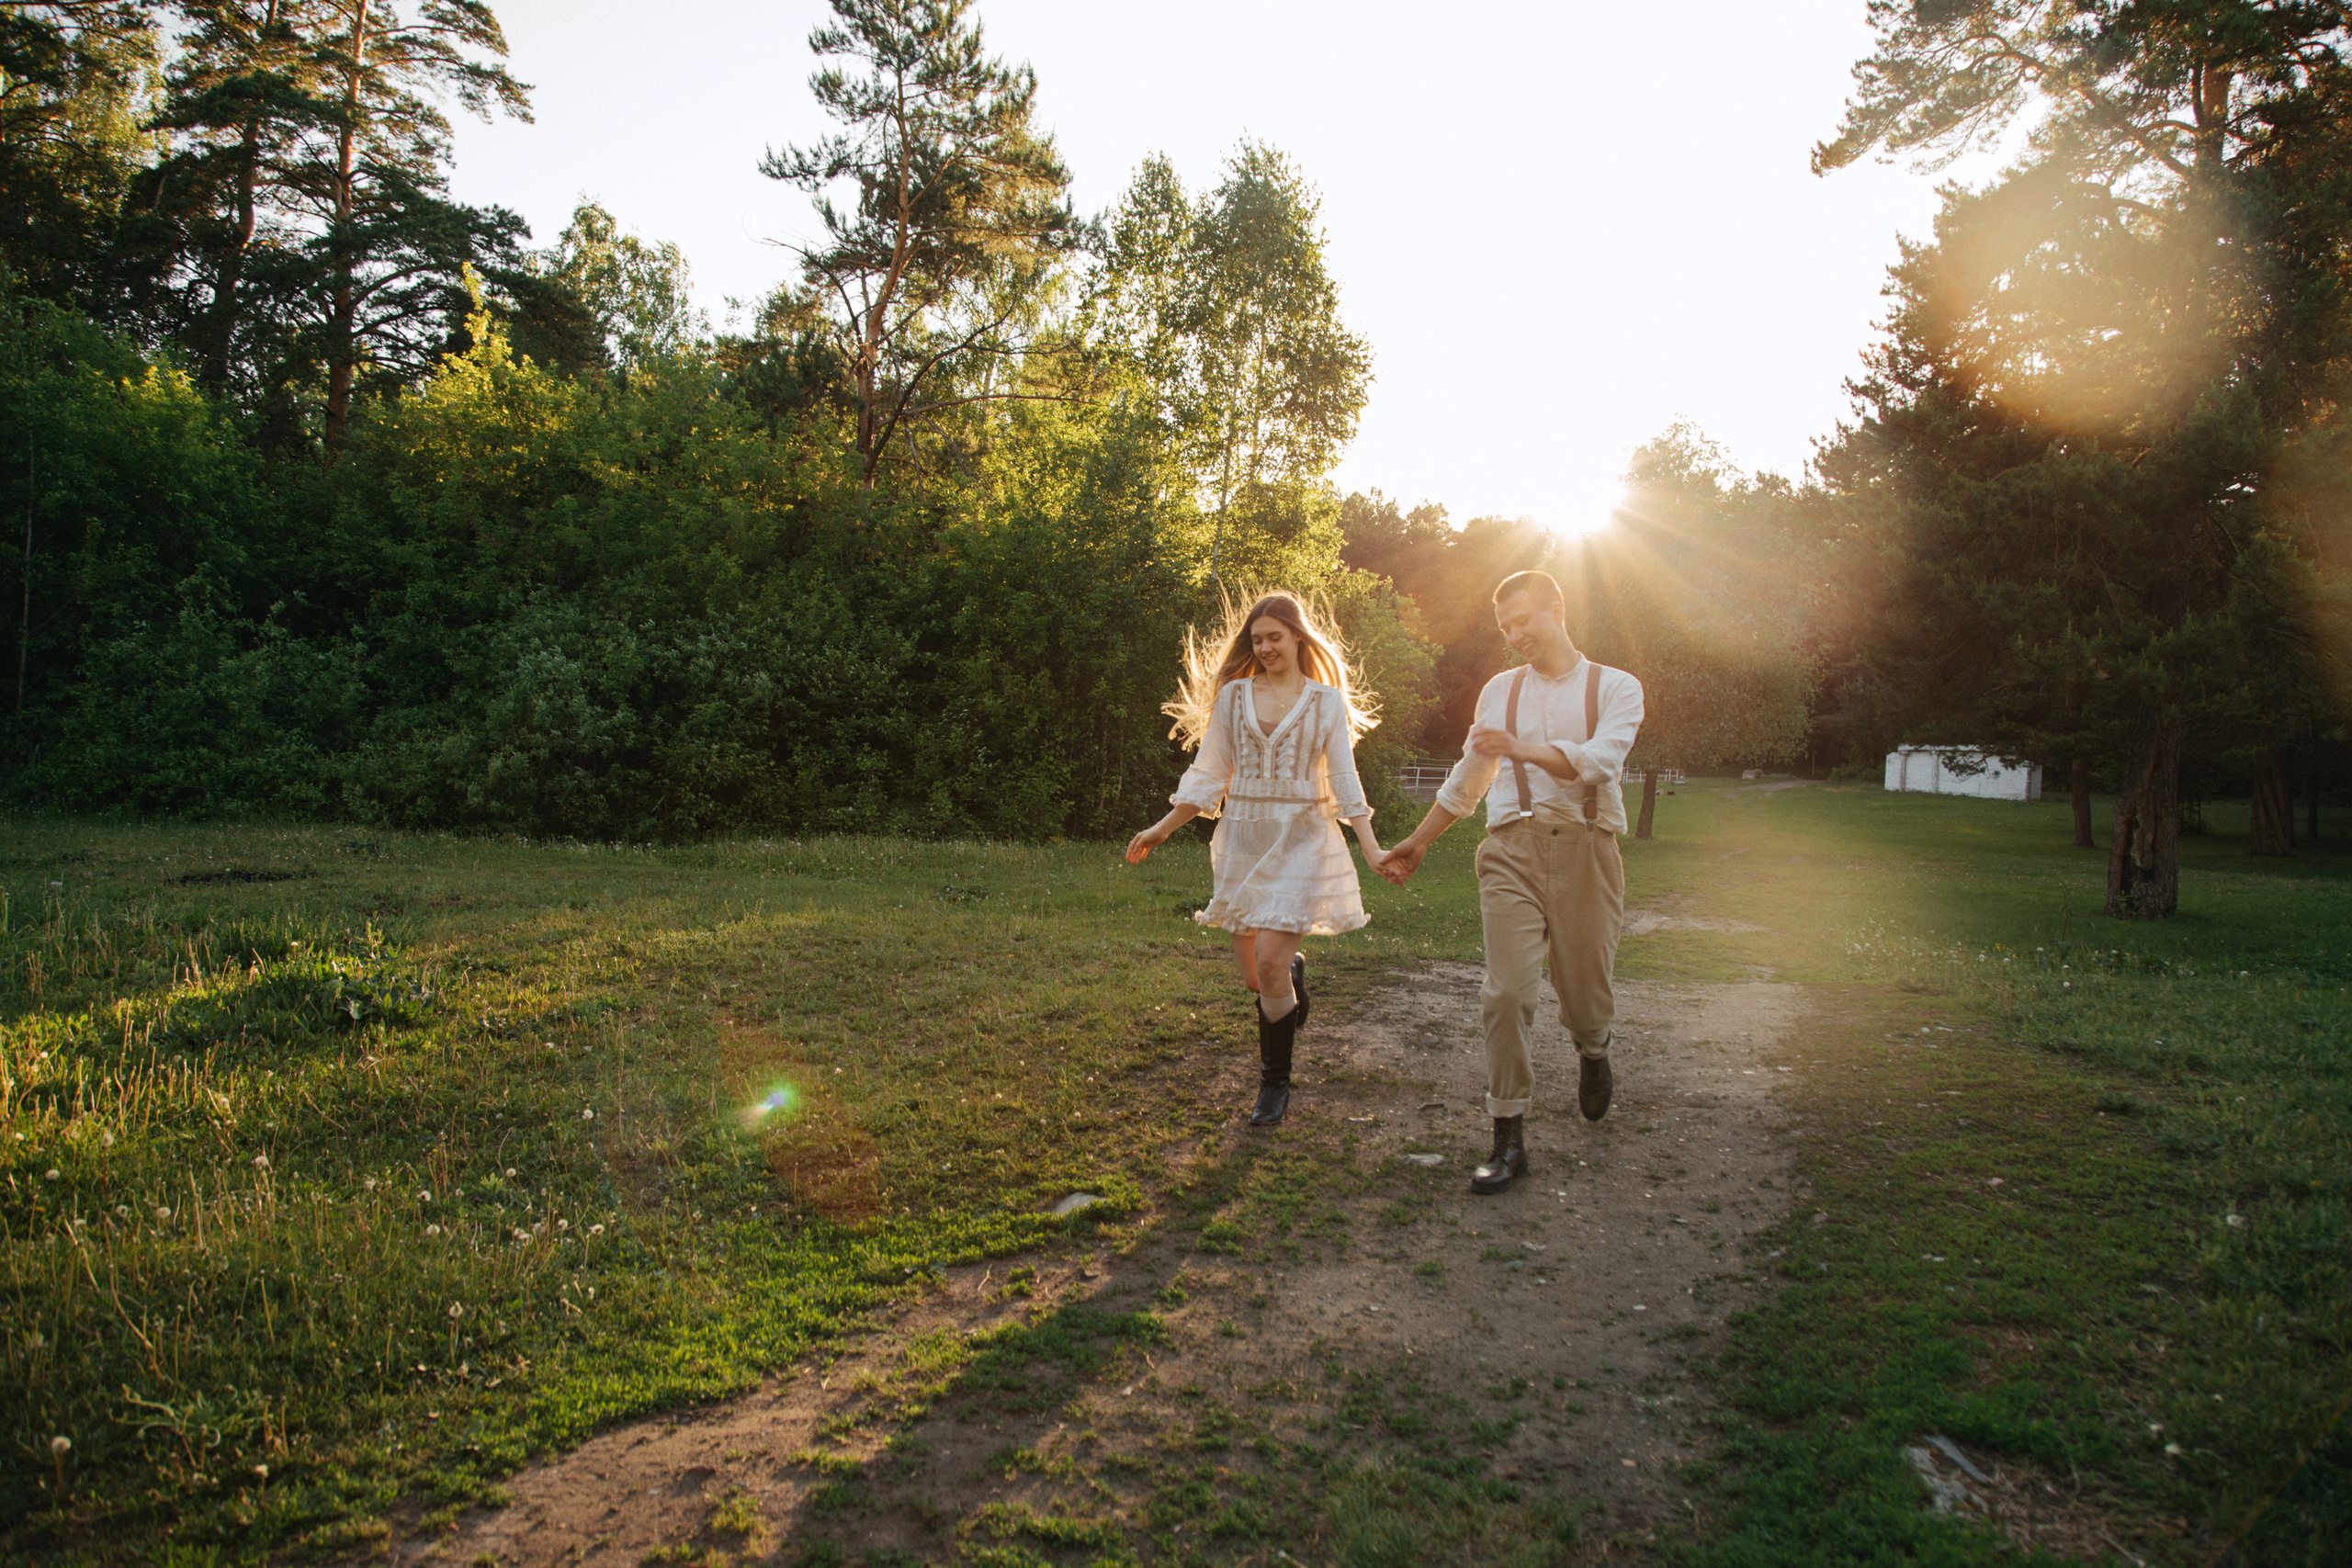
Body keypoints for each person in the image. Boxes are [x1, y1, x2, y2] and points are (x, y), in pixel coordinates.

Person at [1377, 570, 1644, 1194]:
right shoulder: (1499, 691)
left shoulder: (1617, 687)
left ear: (1558, 608)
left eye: (1525, 620)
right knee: (1506, 993)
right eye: (1506, 627)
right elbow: (1470, 777)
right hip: (1511, 850)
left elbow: (1601, 761)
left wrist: (1520, 749)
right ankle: (1507, 1136)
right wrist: (1418, 841)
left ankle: (1594, 1045)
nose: (1516, 634)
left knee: (1584, 988)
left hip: (1587, 847)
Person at [1126, 592, 1390, 1127]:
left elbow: (1343, 779)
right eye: (1257, 639)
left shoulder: (1325, 702)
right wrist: (1159, 829)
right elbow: (1209, 774)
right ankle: (1291, 977)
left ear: (1297, 637)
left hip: (1304, 837)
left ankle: (1273, 1086)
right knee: (1259, 977)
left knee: (1267, 962)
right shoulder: (1233, 696)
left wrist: (1370, 846)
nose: (1266, 647)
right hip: (1244, 839)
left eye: (1275, 636)